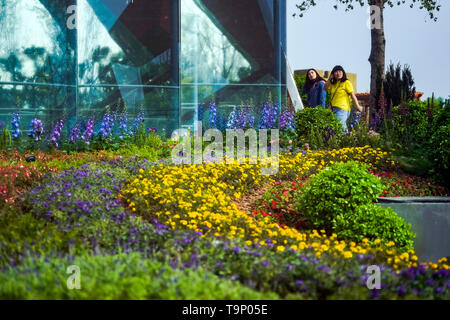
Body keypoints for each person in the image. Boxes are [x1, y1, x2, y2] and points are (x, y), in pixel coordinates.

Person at [324, 65, 363, 132]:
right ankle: (347, 140)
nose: (338, 73)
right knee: (340, 128)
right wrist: (330, 78)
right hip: (333, 109)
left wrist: (357, 106)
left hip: (342, 109)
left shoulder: (346, 82)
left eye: (340, 71)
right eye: (336, 72)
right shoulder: (333, 84)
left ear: (343, 72)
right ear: (333, 74)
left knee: (339, 127)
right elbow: (325, 88)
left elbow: (353, 95)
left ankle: (345, 140)